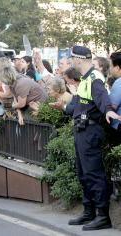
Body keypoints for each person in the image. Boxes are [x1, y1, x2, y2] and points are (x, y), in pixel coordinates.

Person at [67, 46, 121, 231]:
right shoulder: (85, 79)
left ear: (79, 59)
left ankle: (102, 216)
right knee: (83, 172)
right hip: (82, 130)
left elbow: (102, 98)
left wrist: (108, 111)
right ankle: (89, 211)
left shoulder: (94, 78)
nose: (71, 61)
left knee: (93, 173)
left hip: (90, 132)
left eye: (72, 57)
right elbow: (80, 104)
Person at [108, 52, 121, 146]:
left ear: (117, 68)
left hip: (118, 127)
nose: (110, 69)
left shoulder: (119, 82)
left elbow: (112, 107)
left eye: (111, 66)